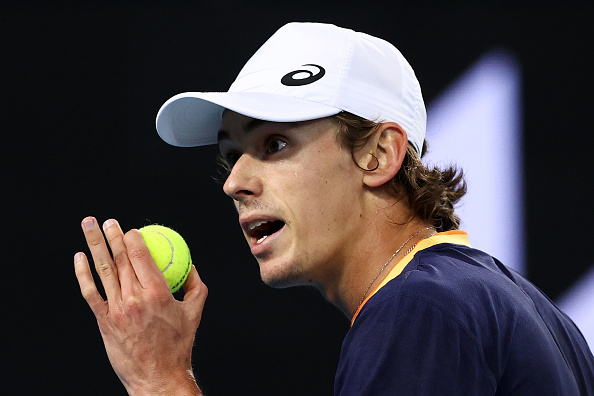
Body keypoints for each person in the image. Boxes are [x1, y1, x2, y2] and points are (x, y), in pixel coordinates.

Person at [74, 22, 594, 395]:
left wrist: (159, 379)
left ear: (379, 154)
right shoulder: (530, 313)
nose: (234, 181)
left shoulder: (417, 313)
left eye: (274, 144)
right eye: (232, 155)